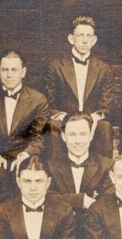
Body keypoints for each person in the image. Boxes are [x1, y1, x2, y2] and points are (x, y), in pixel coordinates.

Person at [47, 111, 115, 239]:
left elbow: (108, 202)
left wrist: (66, 201)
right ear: (63, 136)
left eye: (83, 134)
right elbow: (48, 200)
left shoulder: (106, 165)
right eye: (73, 134)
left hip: (93, 234)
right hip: (60, 235)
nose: (78, 141)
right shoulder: (50, 166)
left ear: (91, 136)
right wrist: (82, 200)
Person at [45, 16, 116, 159]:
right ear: (71, 38)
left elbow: (107, 105)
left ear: (94, 40)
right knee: (52, 126)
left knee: (105, 127)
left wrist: (91, 119)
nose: (85, 40)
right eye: (80, 35)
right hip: (64, 121)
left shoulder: (104, 69)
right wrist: (66, 118)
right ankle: (56, 174)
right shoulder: (55, 66)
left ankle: (104, 174)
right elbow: (48, 102)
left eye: (89, 36)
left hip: (92, 121)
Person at [0, 48, 49, 174]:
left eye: (14, 70)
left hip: (25, 164)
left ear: (23, 72)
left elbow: (38, 138)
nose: (9, 75)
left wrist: (24, 156)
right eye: (5, 70)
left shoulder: (38, 100)